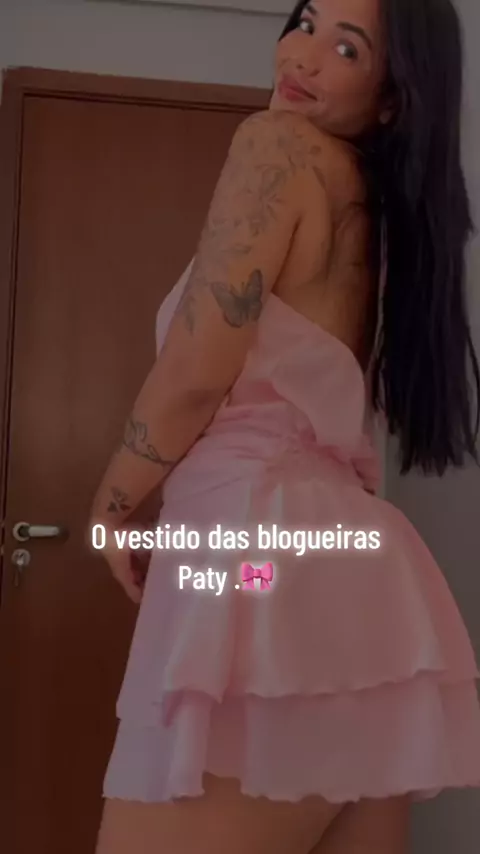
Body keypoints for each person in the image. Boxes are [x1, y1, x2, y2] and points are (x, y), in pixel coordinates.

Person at [90, 0, 480, 851]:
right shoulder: (387, 216)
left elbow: (197, 370)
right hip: (363, 583)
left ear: (392, 96)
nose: (302, 55)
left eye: (347, 47)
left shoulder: (276, 149)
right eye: (304, 21)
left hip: (253, 555)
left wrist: (112, 504)